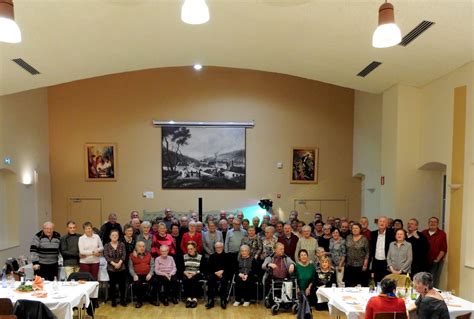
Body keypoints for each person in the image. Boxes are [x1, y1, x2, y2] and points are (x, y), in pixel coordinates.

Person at [128, 241, 157, 308]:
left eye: (143, 246)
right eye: (140, 246)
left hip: (147, 274)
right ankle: (139, 301)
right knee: (137, 283)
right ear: (136, 247)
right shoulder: (132, 255)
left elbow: (152, 265)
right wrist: (134, 275)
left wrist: (150, 274)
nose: (142, 248)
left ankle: (152, 299)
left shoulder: (149, 255)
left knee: (156, 282)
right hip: (137, 275)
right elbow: (130, 267)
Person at [103, 230, 127, 307]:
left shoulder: (122, 244)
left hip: (121, 267)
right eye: (113, 235)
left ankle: (123, 300)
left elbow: (124, 255)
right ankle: (113, 301)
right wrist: (114, 264)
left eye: (116, 235)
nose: (114, 237)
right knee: (112, 285)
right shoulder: (106, 245)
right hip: (111, 268)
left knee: (122, 285)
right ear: (110, 236)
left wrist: (119, 263)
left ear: (118, 236)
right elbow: (106, 256)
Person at [422, 217, 447, 288]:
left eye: (434, 222)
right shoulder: (423, 233)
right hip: (424, 261)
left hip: (434, 261)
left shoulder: (442, 234)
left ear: (438, 223)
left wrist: (437, 259)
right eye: (431, 221)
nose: (432, 223)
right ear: (428, 223)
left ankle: (431, 294)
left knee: (432, 279)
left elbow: (443, 248)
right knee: (423, 278)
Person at [370, 216, 395, 283]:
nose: (382, 223)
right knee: (375, 281)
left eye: (384, 221)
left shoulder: (392, 233)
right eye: (380, 221)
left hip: (387, 262)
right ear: (377, 223)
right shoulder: (373, 234)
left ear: (387, 224)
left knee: (386, 281)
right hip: (375, 262)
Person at [206, 242, 231, 309]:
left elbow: (230, 268)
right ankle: (210, 300)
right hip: (214, 273)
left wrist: (222, 271)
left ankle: (223, 300)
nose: (218, 249)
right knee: (210, 280)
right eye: (217, 247)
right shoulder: (212, 256)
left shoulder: (227, 256)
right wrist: (215, 272)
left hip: (224, 273)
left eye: (220, 247)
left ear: (222, 248)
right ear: (215, 248)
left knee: (224, 281)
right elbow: (208, 268)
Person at [345, 223, 369, 287]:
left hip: (360, 266)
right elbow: (345, 250)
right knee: (349, 285)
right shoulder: (348, 237)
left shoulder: (364, 239)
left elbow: (367, 252)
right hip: (349, 265)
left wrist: (365, 264)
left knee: (360, 285)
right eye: (353, 228)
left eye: (356, 228)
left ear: (360, 229)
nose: (354, 230)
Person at [182, 241, 203, 308]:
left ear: (195, 249)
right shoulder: (184, 256)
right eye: (188, 249)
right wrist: (186, 273)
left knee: (194, 279)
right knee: (186, 279)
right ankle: (188, 298)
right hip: (186, 273)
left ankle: (194, 299)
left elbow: (203, 269)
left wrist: (195, 273)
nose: (189, 250)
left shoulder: (200, 257)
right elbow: (181, 268)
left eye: (191, 249)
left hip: (196, 273)